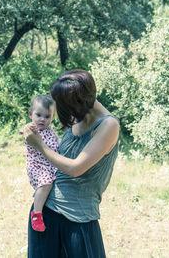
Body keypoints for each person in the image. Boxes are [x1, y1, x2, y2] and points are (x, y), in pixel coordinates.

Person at [24, 69, 119, 257]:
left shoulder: (108, 125)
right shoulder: (77, 116)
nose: (59, 111)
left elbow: (75, 168)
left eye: (62, 105)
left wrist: (40, 146)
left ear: (78, 101)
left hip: (78, 217)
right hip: (47, 211)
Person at [25, 94, 60, 232]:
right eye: (38, 115)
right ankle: (37, 214)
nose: (42, 119)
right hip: (38, 166)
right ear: (30, 114)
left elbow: (57, 142)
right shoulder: (33, 129)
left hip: (50, 166)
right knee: (46, 183)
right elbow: (27, 133)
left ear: (52, 117)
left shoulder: (50, 130)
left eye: (47, 117)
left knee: (50, 183)